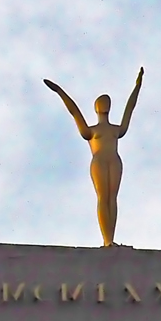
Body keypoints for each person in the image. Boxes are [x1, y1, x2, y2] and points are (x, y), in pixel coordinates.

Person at [44, 68, 143, 247]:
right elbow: (74, 112)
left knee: (112, 198)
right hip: (98, 161)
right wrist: (60, 91)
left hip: (114, 160)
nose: (105, 106)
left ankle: (110, 240)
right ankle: (107, 240)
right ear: (96, 108)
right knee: (102, 197)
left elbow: (130, 109)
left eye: (107, 103)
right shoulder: (91, 131)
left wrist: (137, 87)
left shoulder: (116, 129)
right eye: (102, 103)